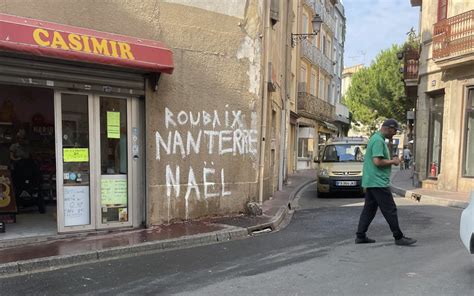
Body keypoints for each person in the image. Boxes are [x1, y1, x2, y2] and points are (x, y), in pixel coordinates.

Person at [355, 119, 417, 246]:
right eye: (394, 131)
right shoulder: (378, 141)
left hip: (371, 180)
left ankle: (360, 236)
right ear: (389, 128)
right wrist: (393, 161)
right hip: (378, 181)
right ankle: (398, 237)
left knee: (369, 210)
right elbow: (377, 161)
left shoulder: (376, 138)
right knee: (390, 209)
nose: (394, 134)